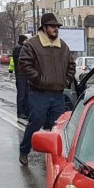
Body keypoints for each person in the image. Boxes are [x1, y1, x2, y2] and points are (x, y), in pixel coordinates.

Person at [18, 14, 75, 166]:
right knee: (35, 122)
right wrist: (39, 79)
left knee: (58, 127)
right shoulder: (32, 44)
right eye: (52, 26)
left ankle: (54, 158)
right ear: (44, 28)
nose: (56, 29)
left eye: (57, 26)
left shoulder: (62, 46)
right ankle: (24, 150)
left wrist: (66, 80)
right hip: (39, 93)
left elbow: (71, 65)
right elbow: (24, 64)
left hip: (57, 94)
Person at [12, 34, 30, 121]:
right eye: (26, 40)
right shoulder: (18, 48)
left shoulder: (22, 48)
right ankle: (21, 112)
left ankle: (26, 112)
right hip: (21, 74)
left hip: (24, 74)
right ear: (23, 40)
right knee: (22, 94)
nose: (27, 41)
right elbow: (22, 60)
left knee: (26, 94)